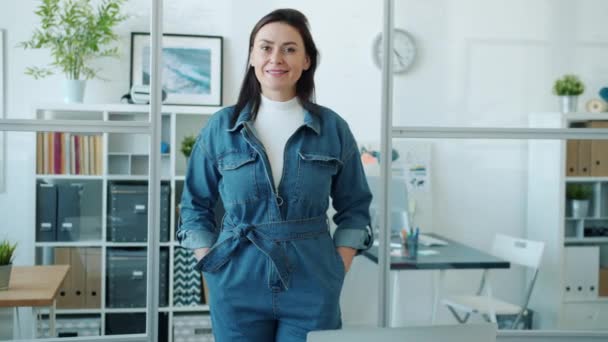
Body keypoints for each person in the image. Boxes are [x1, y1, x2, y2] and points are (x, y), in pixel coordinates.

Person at [177, 8, 373, 342]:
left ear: (307, 60)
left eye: (290, 48)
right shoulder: (221, 127)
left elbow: (355, 209)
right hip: (235, 281)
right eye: (266, 47)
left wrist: (337, 269)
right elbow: (194, 207)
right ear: (252, 56)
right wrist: (213, 269)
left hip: (313, 283)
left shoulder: (333, 129)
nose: (276, 58)